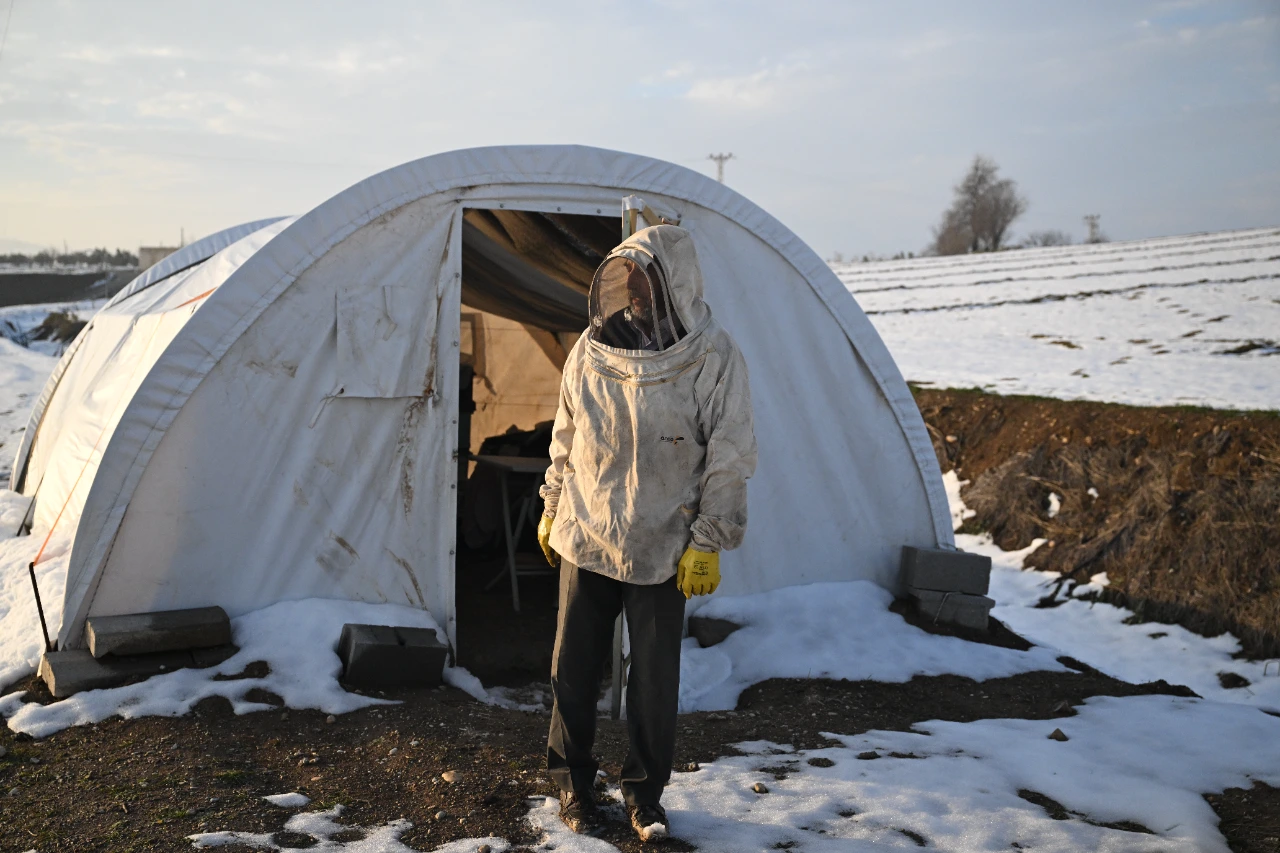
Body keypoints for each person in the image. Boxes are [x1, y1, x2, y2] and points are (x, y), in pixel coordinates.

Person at [536, 224, 757, 841]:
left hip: (666, 542)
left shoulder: (713, 356)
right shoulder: (592, 347)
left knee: (654, 681)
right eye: (624, 273)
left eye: (644, 273)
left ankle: (645, 798)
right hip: (589, 527)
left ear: (673, 280)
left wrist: (709, 539)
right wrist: (553, 505)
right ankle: (573, 787)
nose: (631, 286)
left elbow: (730, 454)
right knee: (572, 669)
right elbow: (567, 431)